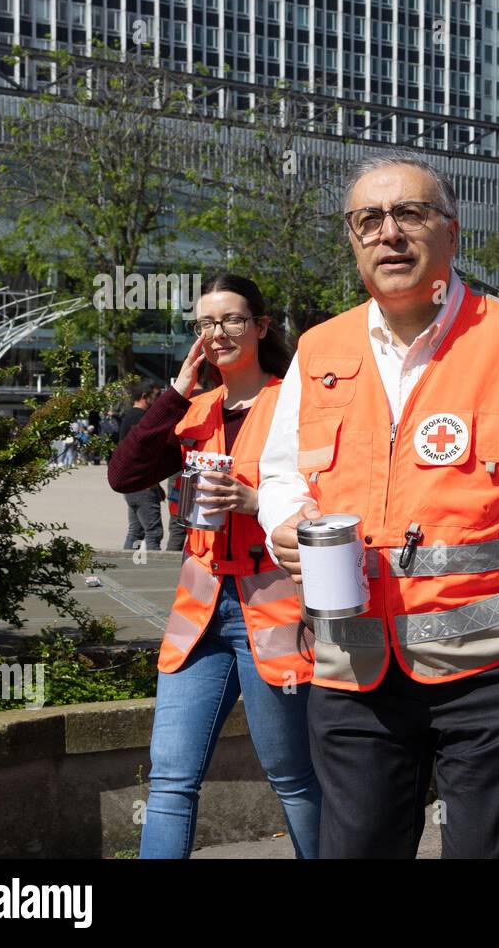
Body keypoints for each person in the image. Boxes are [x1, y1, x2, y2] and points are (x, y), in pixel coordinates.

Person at [257, 149, 499, 859]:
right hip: (353, 662)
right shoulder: (318, 349)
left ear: (451, 233)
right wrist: (285, 520)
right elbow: (280, 474)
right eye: (369, 219)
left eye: (410, 214)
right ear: (352, 239)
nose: (388, 232)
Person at [108, 273, 320, 858]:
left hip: (272, 607)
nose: (217, 332)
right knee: (171, 779)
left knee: (292, 777)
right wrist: (176, 390)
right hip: (198, 612)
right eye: (205, 323)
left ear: (260, 326)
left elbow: (329, 497)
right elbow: (124, 475)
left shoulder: (294, 403)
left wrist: (258, 503)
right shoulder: (194, 409)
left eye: (230, 319)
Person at [117, 382, 165, 551]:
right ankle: (153, 569)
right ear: (145, 396)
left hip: (132, 482)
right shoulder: (140, 419)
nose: (159, 400)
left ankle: (128, 565)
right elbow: (142, 453)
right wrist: (151, 481)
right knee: (153, 532)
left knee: (136, 531)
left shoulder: (129, 416)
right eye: (156, 396)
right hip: (141, 483)